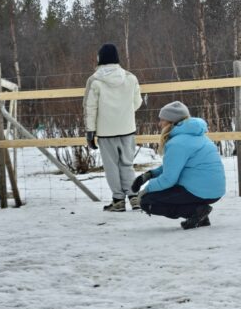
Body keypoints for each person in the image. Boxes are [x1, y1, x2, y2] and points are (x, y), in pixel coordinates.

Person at [133, 101, 225, 229]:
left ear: (172, 122)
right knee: (158, 194)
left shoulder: (177, 143)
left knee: (148, 201)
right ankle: (199, 215)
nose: (159, 124)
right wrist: (150, 175)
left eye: (162, 120)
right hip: (214, 190)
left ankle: (196, 212)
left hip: (199, 190)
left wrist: (145, 190)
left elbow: (168, 180)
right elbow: (173, 167)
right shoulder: (198, 136)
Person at [83, 43, 143, 211]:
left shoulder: (94, 80)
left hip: (105, 132)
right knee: (127, 164)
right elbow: (137, 103)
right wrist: (124, 113)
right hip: (127, 128)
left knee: (112, 167)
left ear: (100, 58)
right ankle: (133, 196)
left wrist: (90, 132)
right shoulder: (130, 77)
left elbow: (90, 108)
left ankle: (118, 201)